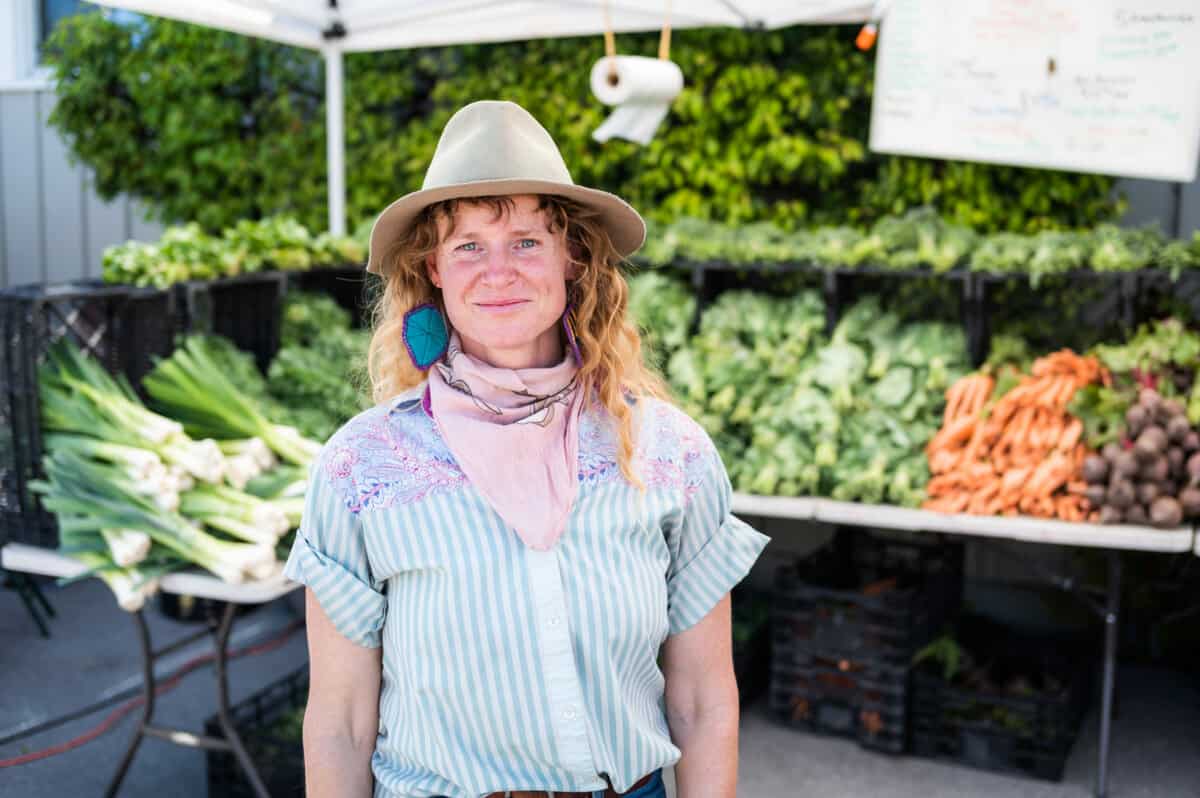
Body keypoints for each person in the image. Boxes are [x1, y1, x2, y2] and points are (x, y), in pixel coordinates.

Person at [284, 100, 769, 798]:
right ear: (435, 271)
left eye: (526, 242)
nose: (498, 270)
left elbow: (702, 703)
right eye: (469, 246)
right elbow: (340, 723)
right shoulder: (364, 466)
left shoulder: (668, 453)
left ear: (572, 258)